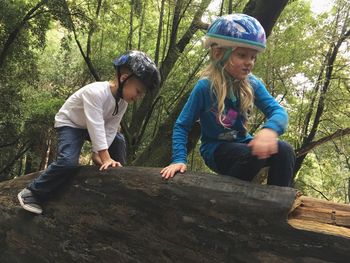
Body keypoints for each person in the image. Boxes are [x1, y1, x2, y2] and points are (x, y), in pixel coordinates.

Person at [18, 50, 160, 214]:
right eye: (138, 91)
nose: (139, 97)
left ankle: (117, 183)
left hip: (88, 128)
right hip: (71, 123)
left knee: (119, 140)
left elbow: (110, 128)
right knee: (68, 163)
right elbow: (96, 125)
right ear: (123, 79)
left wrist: (98, 156)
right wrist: (104, 156)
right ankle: (32, 192)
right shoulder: (96, 92)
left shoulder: (123, 103)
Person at [160, 14, 295, 186]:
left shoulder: (252, 83)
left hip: (244, 145)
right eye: (242, 55)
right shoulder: (205, 87)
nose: (249, 62)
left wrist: (270, 130)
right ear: (218, 53)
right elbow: (182, 125)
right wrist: (179, 159)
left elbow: (278, 111)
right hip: (216, 150)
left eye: (253, 57)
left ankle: (279, 204)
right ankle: (232, 199)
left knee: (285, 150)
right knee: (251, 155)